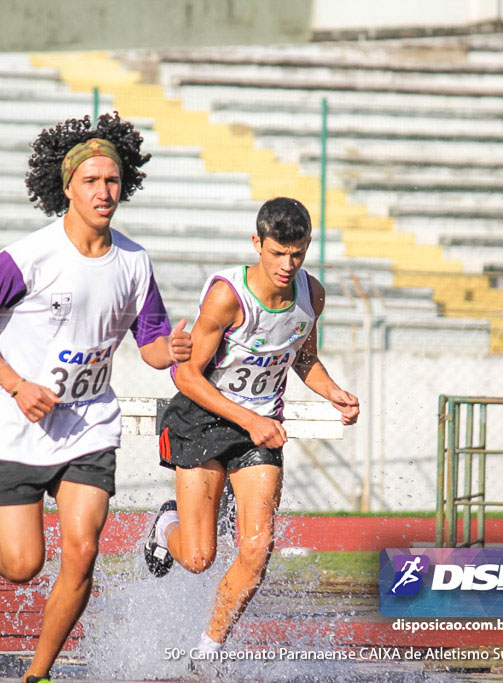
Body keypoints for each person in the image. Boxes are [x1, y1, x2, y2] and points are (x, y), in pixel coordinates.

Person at [0, 112, 191, 683]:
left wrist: (174, 348)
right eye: (91, 182)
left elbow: (151, 345)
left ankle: (38, 675)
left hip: (88, 425)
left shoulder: (134, 261)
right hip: (17, 427)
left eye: (112, 181)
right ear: (67, 188)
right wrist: (15, 384)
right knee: (25, 564)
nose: (104, 192)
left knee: (82, 553)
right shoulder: (29, 257)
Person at [142, 197, 359, 671]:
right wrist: (250, 418)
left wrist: (334, 392)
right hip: (202, 419)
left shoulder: (312, 294)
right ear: (257, 243)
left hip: (258, 432)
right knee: (199, 557)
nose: (287, 265)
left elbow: (303, 358)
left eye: (297, 254)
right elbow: (186, 376)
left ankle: (206, 654)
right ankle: (165, 524)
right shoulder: (228, 295)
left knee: (258, 547)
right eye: (278, 252)